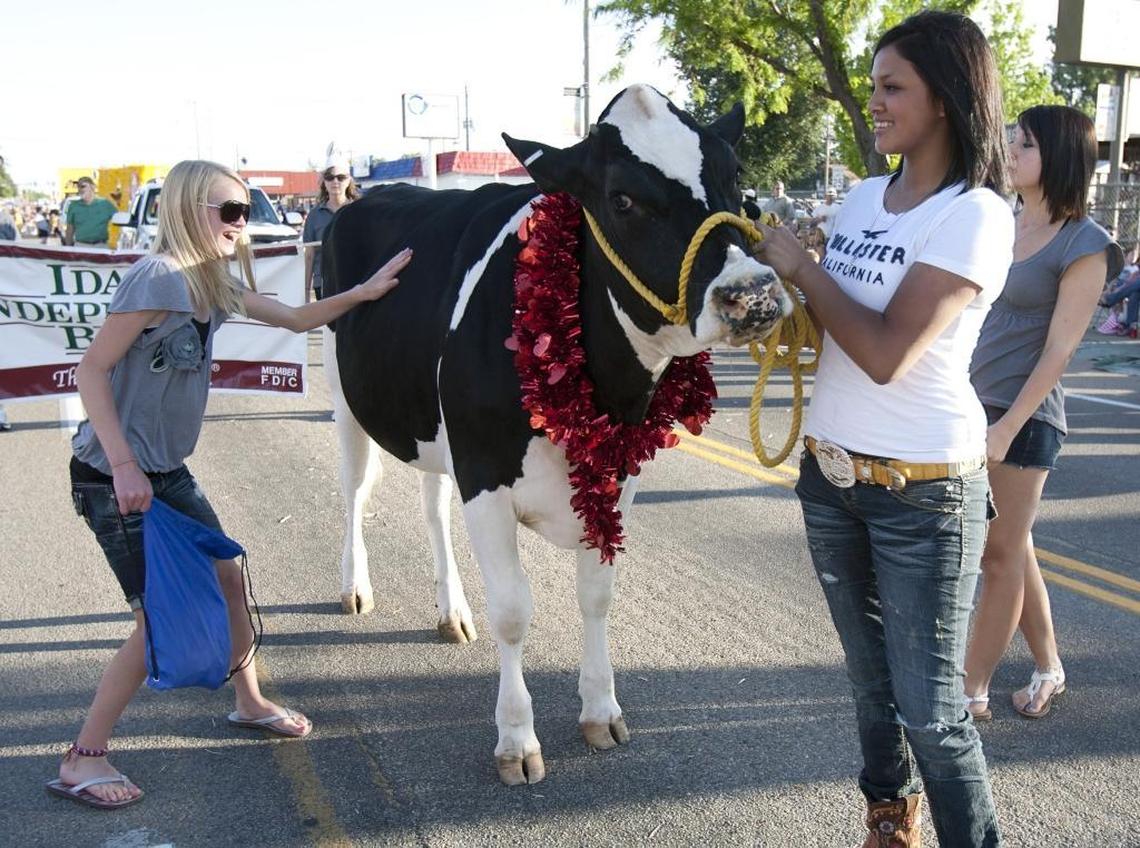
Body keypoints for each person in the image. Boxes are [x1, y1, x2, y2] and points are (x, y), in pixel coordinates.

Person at [50, 159, 411, 809]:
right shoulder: (157, 278)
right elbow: (91, 371)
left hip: (166, 473)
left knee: (229, 578)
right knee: (156, 617)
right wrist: (125, 464)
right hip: (112, 477)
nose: (245, 225)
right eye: (234, 212)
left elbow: (297, 320)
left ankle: (248, 702)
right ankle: (84, 758)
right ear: (193, 211)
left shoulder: (212, 281)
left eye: (249, 212)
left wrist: (365, 292)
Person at [752, 11, 1012, 846]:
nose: (874, 102)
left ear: (945, 98)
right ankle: (889, 821)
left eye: (891, 87)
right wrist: (775, 289)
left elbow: (887, 350)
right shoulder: (867, 196)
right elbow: (827, 323)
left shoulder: (975, 215)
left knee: (932, 714)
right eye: (872, 87)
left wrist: (807, 269)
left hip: (924, 495)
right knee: (872, 693)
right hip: (830, 481)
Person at [964, 105, 1124, 723]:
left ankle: (970, 689)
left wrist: (1004, 427)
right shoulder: (1001, 221)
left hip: (1023, 418)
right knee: (1014, 545)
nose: (1009, 152)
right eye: (1010, 141)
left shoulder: (1087, 243)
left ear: (1056, 156)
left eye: (1023, 145)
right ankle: (1049, 665)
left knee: (997, 554)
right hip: (971, 403)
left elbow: (1059, 349)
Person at [303, 156, 360, 301]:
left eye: (340, 177)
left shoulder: (360, 211)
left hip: (356, 281)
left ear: (349, 180)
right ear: (324, 182)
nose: (335, 181)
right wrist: (306, 291)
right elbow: (309, 255)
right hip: (323, 284)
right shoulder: (314, 216)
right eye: (330, 177)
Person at [64, 177, 117, 247]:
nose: (80, 189)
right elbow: (70, 228)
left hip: (100, 246)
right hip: (81, 246)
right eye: (78, 187)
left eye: (83, 186)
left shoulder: (105, 203)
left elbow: (119, 218)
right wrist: (68, 248)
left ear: (93, 187)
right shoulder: (74, 206)